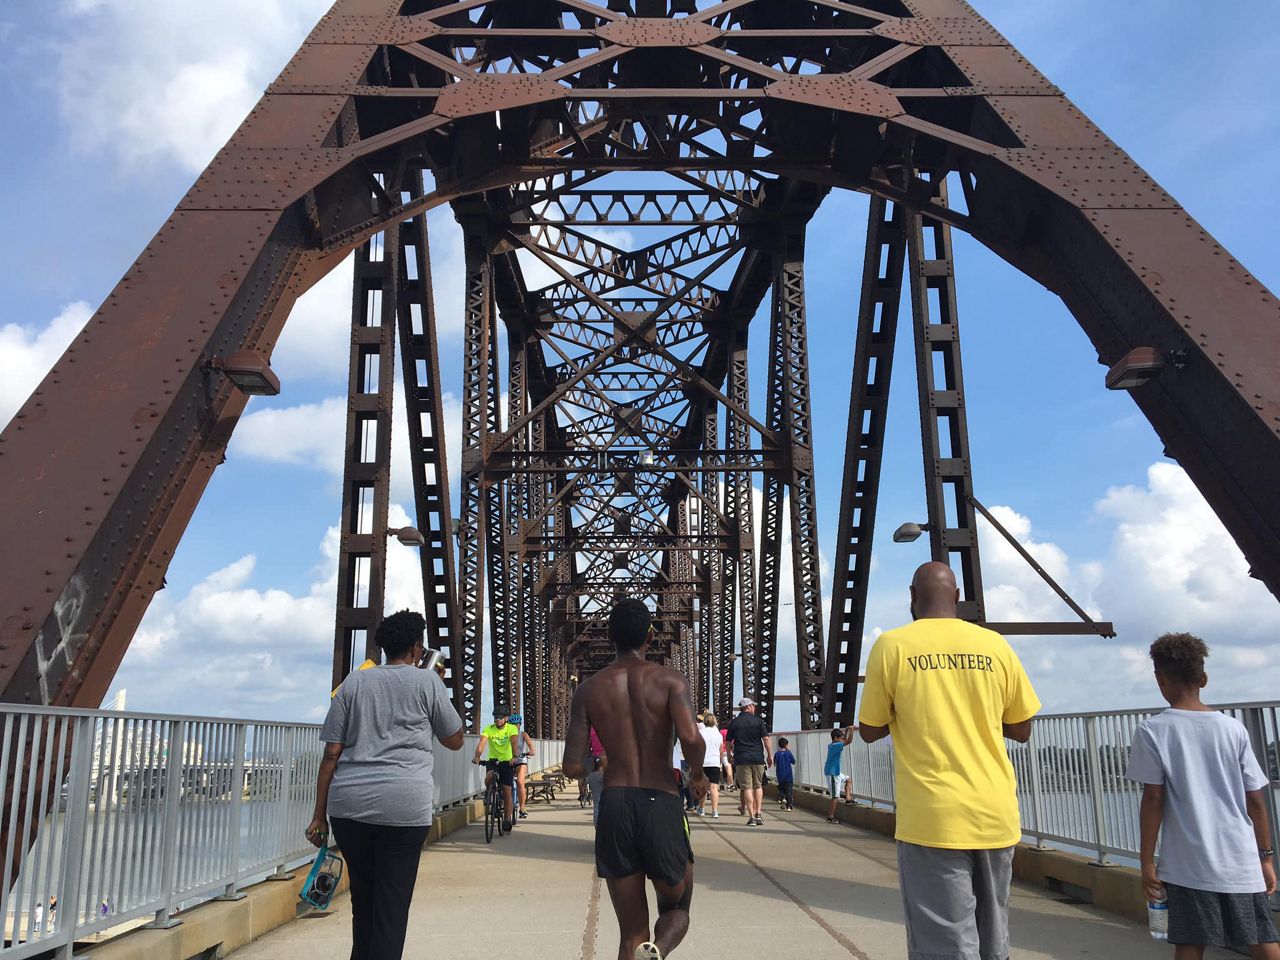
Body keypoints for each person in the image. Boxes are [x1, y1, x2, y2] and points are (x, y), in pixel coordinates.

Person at [858, 562, 1040, 960]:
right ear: (957, 597)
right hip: (996, 813)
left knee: (945, 943)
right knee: (995, 940)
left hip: (932, 817)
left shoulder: (892, 646)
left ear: (911, 597)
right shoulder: (995, 645)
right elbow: (1022, 728)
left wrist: (911, 711)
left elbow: (869, 729)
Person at [310, 610, 465, 960]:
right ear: (416, 648)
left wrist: (319, 816)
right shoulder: (428, 683)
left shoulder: (354, 682)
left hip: (349, 810)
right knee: (391, 910)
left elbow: (331, 753)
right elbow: (455, 740)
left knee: (363, 904)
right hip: (404, 808)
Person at [563, 599, 708, 960]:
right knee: (677, 908)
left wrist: (598, 760)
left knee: (630, 933)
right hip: (661, 802)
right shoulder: (671, 680)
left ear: (610, 637)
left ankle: (642, 948)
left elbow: (570, 767)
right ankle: (657, 949)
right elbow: (691, 738)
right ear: (649, 635)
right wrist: (699, 776)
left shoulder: (589, 689)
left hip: (615, 804)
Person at [1126, 633, 1280, 959]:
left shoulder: (1152, 730)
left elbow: (1153, 800)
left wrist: (1146, 862)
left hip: (1187, 865)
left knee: (1190, 944)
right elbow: (1256, 800)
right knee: (1261, 940)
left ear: (1159, 679)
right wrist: (1265, 857)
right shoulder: (1233, 729)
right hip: (1241, 860)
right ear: (1203, 678)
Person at [473, 707, 521, 831]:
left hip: (507, 762)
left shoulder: (511, 728)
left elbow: (514, 743)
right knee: (489, 776)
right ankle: (489, 793)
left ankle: (507, 819)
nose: (497, 719)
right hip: (493, 761)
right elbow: (482, 743)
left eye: (500, 717)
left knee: (506, 790)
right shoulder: (489, 729)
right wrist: (477, 756)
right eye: (495, 717)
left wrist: (515, 756)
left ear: (506, 718)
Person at [726, 697, 771, 826]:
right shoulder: (758, 721)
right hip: (757, 758)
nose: (754, 708)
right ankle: (759, 814)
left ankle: (751, 816)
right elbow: (766, 739)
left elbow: (728, 743)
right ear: (749, 707)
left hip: (741, 759)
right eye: (753, 706)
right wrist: (769, 755)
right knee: (758, 786)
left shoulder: (734, 723)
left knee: (747, 788)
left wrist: (729, 756)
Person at [696, 713, 726, 818]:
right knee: (714, 787)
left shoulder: (700, 732)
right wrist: (720, 761)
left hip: (702, 762)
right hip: (714, 763)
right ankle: (715, 811)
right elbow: (721, 750)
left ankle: (702, 809)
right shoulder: (718, 734)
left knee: (703, 787)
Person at [824, 727, 855, 822]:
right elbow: (848, 741)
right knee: (835, 796)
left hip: (835, 772)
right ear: (836, 738)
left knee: (848, 779)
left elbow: (845, 740)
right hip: (832, 773)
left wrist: (846, 731)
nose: (842, 740)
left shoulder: (832, 745)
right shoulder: (836, 746)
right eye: (841, 738)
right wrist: (852, 731)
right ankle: (830, 817)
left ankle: (848, 799)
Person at [510, 714, 537, 819]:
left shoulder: (523, 734)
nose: (514, 726)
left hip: (521, 760)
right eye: (512, 724)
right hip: (510, 760)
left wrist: (531, 751)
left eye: (516, 724)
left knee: (520, 782)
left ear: (519, 725)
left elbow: (530, 744)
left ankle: (522, 808)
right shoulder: (507, 735)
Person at [773, 737, 796, 811]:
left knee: (781, 789)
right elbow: (793, 761)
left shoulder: (777, 754)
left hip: (780, 775)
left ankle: (782, 798)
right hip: (788, 776)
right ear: (786, 745)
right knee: (789, 791)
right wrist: (789, 751)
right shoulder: (788, 753)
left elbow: (775, 764)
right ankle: (789, 806)